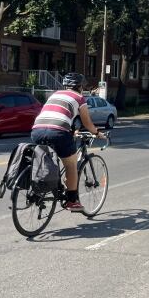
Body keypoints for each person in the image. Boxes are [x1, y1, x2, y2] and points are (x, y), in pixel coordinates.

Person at [31, 73, 104, 212]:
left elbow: (57, 115)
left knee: (48, 158)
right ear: (80, 87)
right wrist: (97, 133)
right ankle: (72, 201)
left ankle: (47, 184)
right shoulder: (79, 97)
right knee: (71, 165)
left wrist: (72, 130)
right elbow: (87, 123)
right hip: (58, 132)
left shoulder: (55, 94)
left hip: (37, 130)